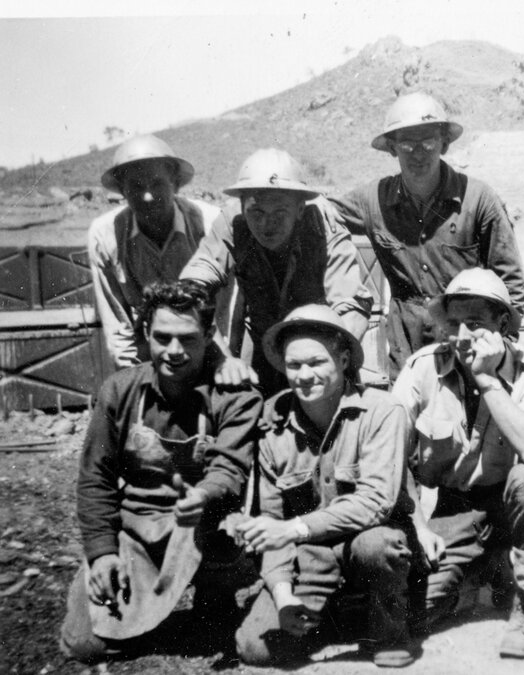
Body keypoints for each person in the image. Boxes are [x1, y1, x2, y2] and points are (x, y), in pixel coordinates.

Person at [59, 280, 262, 663]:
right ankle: (140, 601)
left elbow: (230, 469)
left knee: (213, 630)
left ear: (208, 336)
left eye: (187, 339)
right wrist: (102, 553)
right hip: (137, 529)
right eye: (162, 337)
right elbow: (95, 479)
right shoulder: (120, 391)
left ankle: (214, 598)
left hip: (205, 526)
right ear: (146, 335)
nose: (174, 351)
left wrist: (203, 495)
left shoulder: (235, 398)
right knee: (84, 644)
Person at [392, 268, 524, 659]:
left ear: (503, 323)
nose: (462, 336)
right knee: (418, 613)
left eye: (476, 323)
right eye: (453, 324)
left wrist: (487, 380)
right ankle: (483, 571)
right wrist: (418, 525)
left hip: (511, 503)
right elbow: (390, 453)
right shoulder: (423, 367)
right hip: (456, 508)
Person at [232, 304, 419, 668]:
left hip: (370, 544)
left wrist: (293, 529)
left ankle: (389, 630)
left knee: (377, 545)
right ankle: (343, 614)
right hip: (312, 558)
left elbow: (375, 503)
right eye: (294, 365)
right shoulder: (273, 427)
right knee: (255, 648)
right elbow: (273, 523)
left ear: (344, 359)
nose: (304, 375)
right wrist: (284, 596)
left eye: (316, 362)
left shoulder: (383, 411)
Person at [331, 91, 524, 380]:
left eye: (428, 141)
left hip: (468, 343)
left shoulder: (478, 200)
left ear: (444, 144)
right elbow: (319, 213)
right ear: (392, 148)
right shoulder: (372, 201)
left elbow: (511, 282)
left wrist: (502, 348)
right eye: (407, 143)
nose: (418, 153)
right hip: (405, 349)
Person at [181, 148, 372, 397]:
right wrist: (222, 358)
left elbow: (351, 306)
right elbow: (190, 291)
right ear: (241, 206)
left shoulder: (324, 222)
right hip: (263, 348)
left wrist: (323, 361)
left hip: (321, 351)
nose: (266, 225)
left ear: (300, 209)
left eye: (280, 213)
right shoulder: (232, 222)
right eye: (256, 213)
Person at [88, 134, 224, 368]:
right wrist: (135, 382)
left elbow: (226, 310)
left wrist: (225, 363)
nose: (148, 196)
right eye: (136, 186)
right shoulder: (106, 235)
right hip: (150, 352)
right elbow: (118, 324)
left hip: (209, 348)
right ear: (121, 190)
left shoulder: (210, 224)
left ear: (175, 182)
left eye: (157, 183)